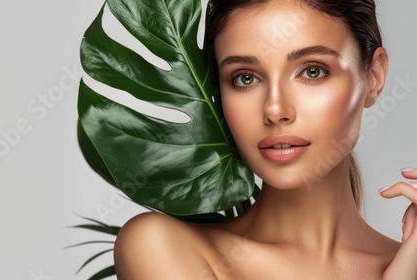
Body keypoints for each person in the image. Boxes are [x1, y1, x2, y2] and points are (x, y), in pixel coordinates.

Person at [113, 0, 417, 278]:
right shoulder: (163, 248)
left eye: (312, 71)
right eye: (245, 78)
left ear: (374, 77)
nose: (274, 109)